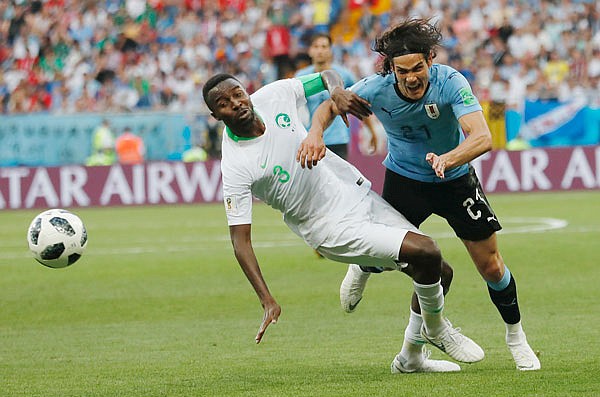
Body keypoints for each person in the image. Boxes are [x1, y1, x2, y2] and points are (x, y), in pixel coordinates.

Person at [202, 70, 485, 373]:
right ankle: (436, 328)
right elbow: (240, 241)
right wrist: (266, 299)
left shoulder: (273, 96)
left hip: (352, 193)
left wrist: (336, 90)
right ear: (215, 115)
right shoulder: (235, 165)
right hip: (327, 228)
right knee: (427, 251)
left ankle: (410, 358)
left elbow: (326, 75)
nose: (236, 103)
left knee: (439, 274)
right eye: (224, 103)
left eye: (237, 93)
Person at [312, 19, 540, 371]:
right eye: (403, 71)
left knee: (491, 266)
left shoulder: (450, 82)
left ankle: (516, 338)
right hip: (405, 181)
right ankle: (363, 267)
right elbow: (330, 106)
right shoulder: (376, 88)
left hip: (455, 180)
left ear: (430, 61)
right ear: (391, 69)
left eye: (419, 67)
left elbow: (481, 137)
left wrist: (449, 158)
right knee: (388, 254)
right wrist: (315, 133)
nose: (413, 77)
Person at [295, 33, 378, 160]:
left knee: (340, 180)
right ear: (310, 51)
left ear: (330, 50)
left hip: (338, 139)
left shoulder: (344, 75)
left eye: (324, 46)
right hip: (311, 139)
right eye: (316, 47)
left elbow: (359, 103)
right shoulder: (301, 77)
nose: (320, 51)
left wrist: (371, 131)